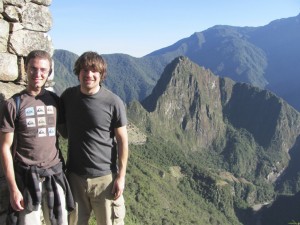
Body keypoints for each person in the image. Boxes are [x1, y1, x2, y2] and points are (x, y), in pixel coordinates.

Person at [0, 50, 74, 225]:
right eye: (33, 68)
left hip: (54, 173)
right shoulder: (13, 104)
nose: (38, 74)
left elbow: (67, 133)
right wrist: (13, 189)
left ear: (49, 72)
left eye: (43, 70)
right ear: (26, 69)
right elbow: (4, 147)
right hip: (26, 177)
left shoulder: (55, 101)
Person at [60, 51, 128, 225]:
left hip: (104, 180)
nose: (88, 74)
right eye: (84, 70)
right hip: (75, 178)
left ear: (101, 74)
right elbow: (63, 129)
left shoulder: (113, 102)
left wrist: (121, 177)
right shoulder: (68, 97)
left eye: (93, 70)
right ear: (78, 72)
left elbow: (122, 141)